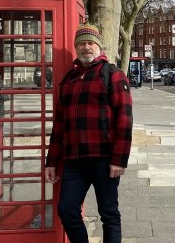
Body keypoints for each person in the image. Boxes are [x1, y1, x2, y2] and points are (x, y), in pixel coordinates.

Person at [45, 22, 133, 243]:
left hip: (104, 160)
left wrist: (119, 160)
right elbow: (59, 125)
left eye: (91, 43)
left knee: (109, 214)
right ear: (76, 47)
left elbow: (124, 119)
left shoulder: (112, 74)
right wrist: (51, 162)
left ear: (99, 47)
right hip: (74, 160)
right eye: (82, 43)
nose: (86, 47)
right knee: (66, 210)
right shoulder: (69, 79)